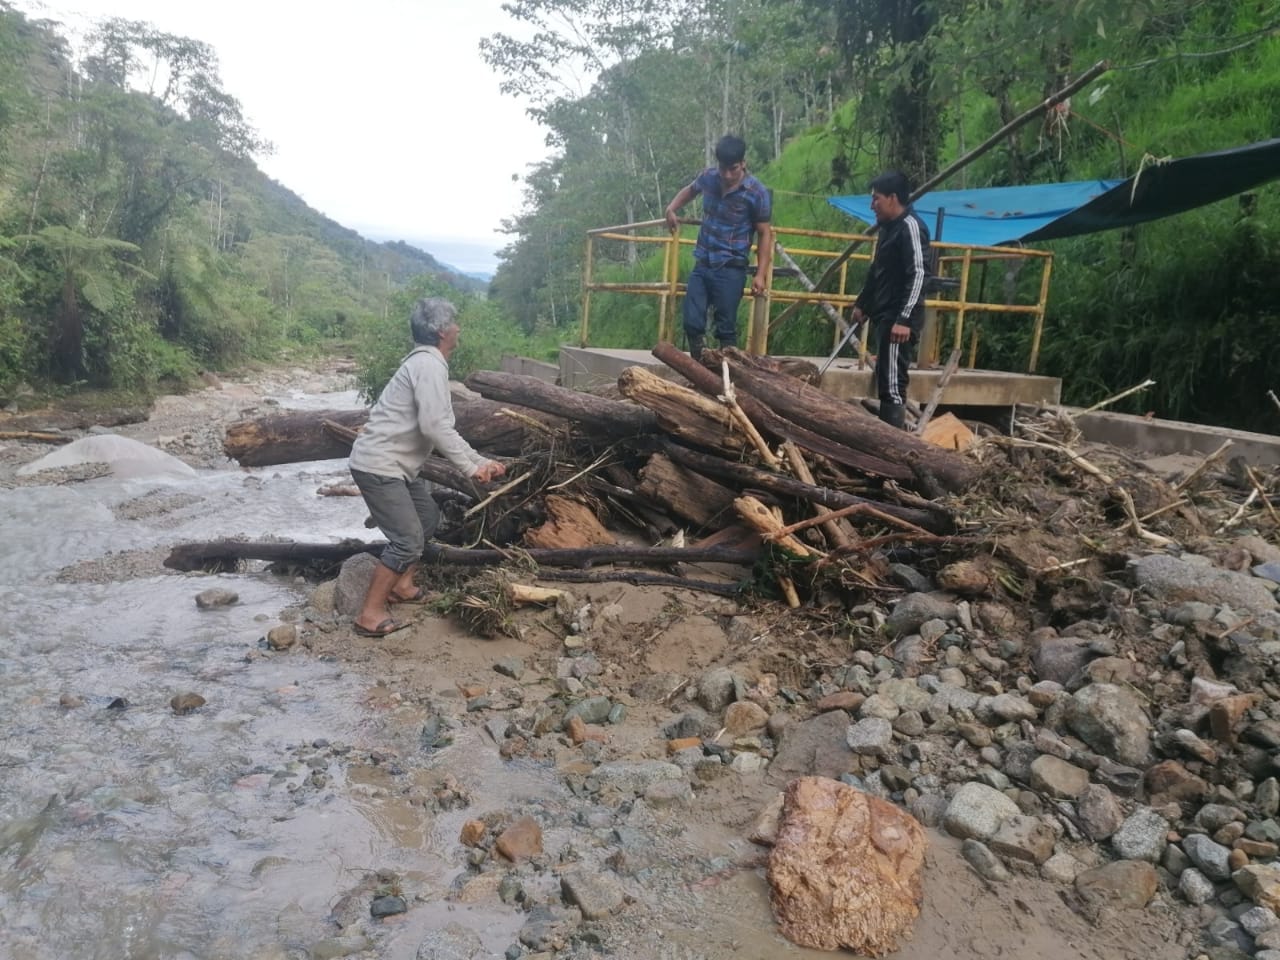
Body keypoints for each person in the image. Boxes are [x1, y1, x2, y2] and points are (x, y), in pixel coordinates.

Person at [347, 297, 505, 637]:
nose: (459, 328)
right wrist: (469, 468)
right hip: (379, 465)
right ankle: (369, 615)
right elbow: (434, 426)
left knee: (427, 520)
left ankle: (402, 586)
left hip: (398, 466)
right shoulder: (429, 366)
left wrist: (481, 461)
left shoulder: (428, 364)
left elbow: (443, 427)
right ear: (441, 331)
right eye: (455, 323)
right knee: (406, 540)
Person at [664, 135, 773, 360]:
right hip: (704, 261)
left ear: (742, 163)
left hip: (731, 267)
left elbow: (764, 233)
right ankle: (699, 369)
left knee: (726, 326)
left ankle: (728, 377)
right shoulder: (708, 178)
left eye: (732, 169)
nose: (727, 175)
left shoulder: (756, 193)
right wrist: (671, 208)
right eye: (723, 168)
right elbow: (690, 190)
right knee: (692, 321)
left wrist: (761, 274)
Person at [849, 171, 931, 430]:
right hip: (884, 315)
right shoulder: (887, 229)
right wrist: (863, 303)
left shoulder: (911, 227)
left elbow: (918, 275)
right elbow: (877, 271)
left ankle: (892, 444)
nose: (872, 205)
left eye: (876, 199)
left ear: (893, 198)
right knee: (886, 377)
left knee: (893, 384)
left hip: (899, 320)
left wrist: (904, 319)